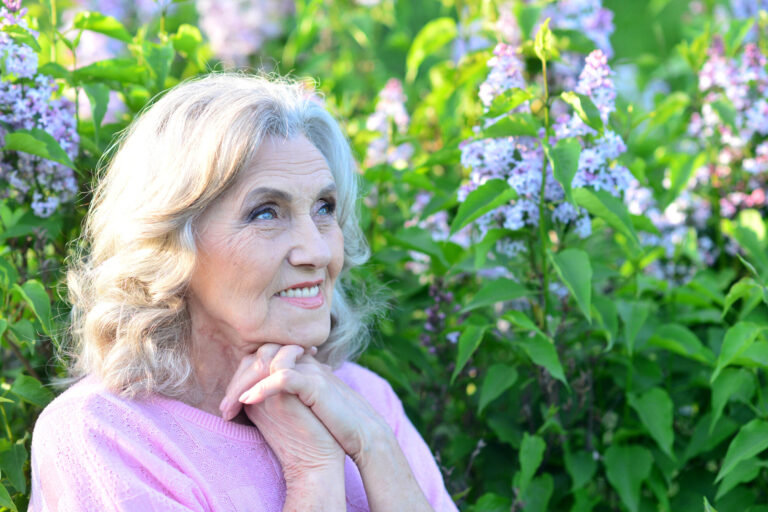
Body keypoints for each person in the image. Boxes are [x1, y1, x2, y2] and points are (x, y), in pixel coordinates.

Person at [29, 74, 458, 511]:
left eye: (324, 208)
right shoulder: (105, 434)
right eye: (266, 213)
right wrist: (313, 471)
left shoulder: (364, 398)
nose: (317, 250)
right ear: (171, 244)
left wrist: (375, 447)